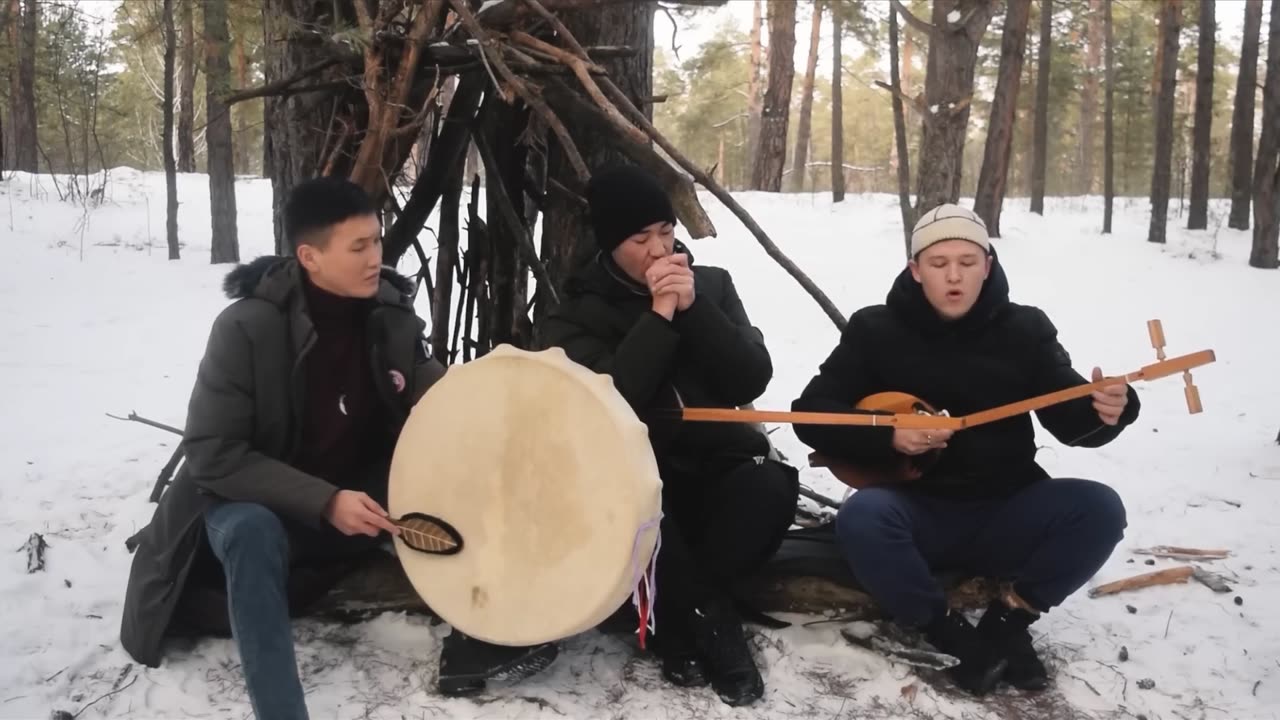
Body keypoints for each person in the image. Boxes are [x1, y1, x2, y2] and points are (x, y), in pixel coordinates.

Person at [119, 177, 557, 719]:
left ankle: (502, 630)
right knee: (252, 530)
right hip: (251, 507)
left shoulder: (387, 317)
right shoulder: (246, 330)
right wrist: (325, 500)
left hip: (355, 499)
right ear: (310, 256)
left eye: (376, 241)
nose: (376, 257)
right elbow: (213, 453)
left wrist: (493, 403)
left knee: (470, 472)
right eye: (358, 247)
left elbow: (428, 385)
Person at [791, 204, 1139, 696]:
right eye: (938, 264)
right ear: (915, 269)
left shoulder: (1025, 329)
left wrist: (1108, 410)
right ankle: (946, 631)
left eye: (967, 261)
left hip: (1007, 509)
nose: (954, 276)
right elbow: (812, 412)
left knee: (1099, 508)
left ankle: (1006, 624)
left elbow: (1069, 416)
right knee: (864, 517)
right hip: (914, 513)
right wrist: (887, 435)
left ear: (988, 266)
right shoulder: (874, 330)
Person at [539, 164, 799, 707]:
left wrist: (695, 309)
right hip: (638, 473)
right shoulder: (576, 313)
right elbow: (616, 401)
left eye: (665, 231)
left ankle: (678, 621)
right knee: (645, 511)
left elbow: (751, 375)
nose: (659, 249)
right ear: (611, 246)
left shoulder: (714, 286)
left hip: (720, 459)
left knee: (770, 485)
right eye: (640, 239)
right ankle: (713, 626)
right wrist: (658, 316)